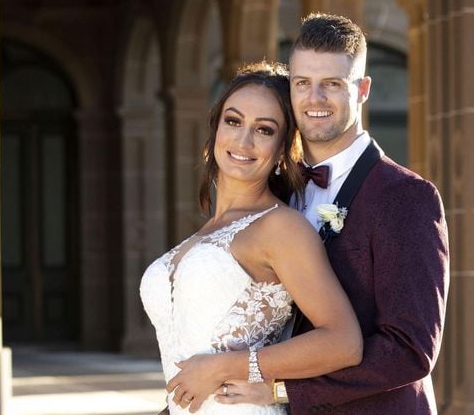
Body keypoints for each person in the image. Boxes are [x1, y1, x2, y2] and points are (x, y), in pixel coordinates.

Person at [214, 13, 450, 414]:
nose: (315, 99)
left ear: (363, 89)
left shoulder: (408, 197)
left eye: (332, 85)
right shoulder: (278, 192)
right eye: (302, 83)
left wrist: (281, 389)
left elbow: (411, 349)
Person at [139, 61, 363, 415]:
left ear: (282, 149)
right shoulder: (206, 232)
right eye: (233, 121)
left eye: (264, 130)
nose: (243, 140)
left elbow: (344, 342)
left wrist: (223, 368)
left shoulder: (281, 228)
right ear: (216, 129)